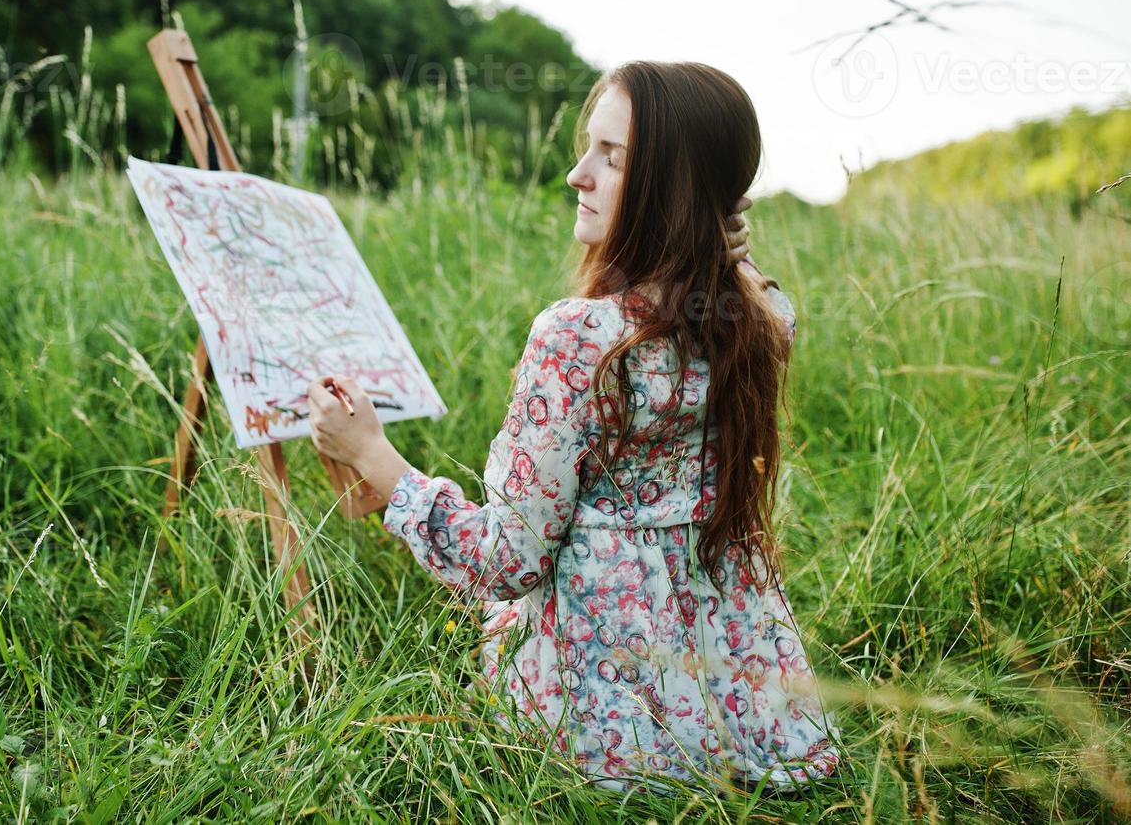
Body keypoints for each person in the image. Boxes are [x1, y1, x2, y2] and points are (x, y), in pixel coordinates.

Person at [306, 61, 841, 795]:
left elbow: (504, 564)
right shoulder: (763, 321)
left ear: (673, 189)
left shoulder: (578, 340)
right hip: (746, 706)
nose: (575, 174)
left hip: (606, 719)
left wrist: (373, 454)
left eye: (611, 156)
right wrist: (723, 256)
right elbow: (753, 294)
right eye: (588, 148)